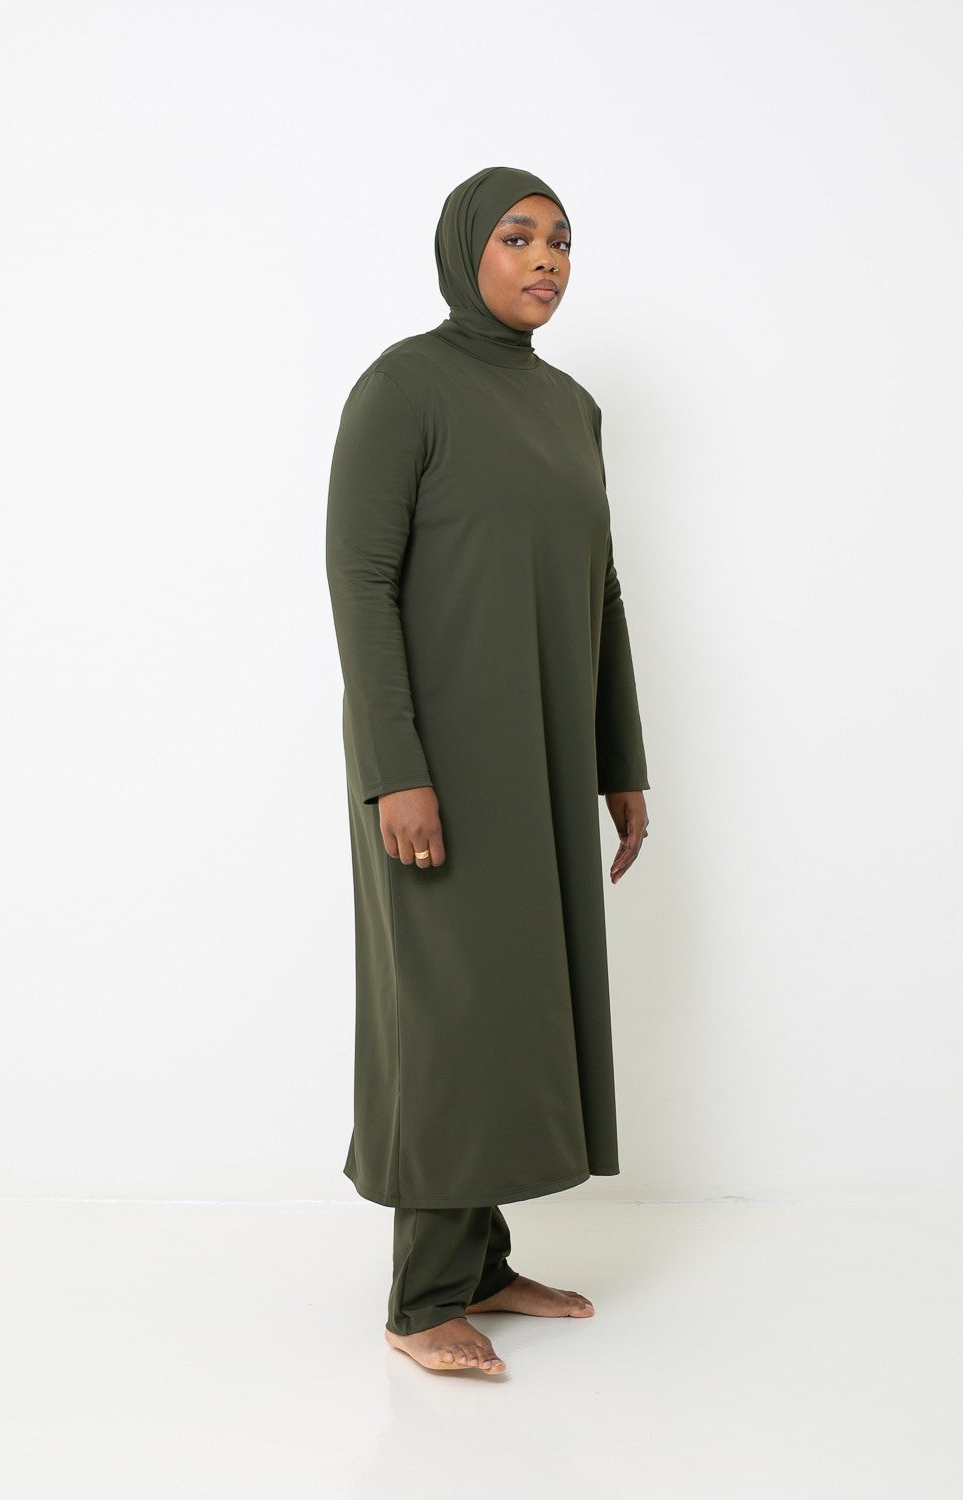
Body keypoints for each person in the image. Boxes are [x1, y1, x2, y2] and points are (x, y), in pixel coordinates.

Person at [325, 165, 650, 1376]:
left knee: (513, 1000)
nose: (545, 259)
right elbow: (359, 582)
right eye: (518, 236)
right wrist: (393, 769)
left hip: (544, 754)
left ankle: (480, 1262)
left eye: (561, 241)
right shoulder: (403, 388)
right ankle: (421, 1301)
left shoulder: (571, 408)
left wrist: (619, 760)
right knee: (451, 1011)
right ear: (465, 247)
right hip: (441, 761)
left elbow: (600, 592)